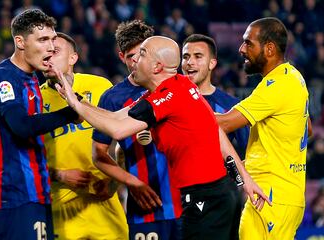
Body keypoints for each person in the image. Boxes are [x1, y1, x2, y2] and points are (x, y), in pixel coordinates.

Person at [55, 35, 271, 240]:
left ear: (156, 67)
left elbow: (117, 130)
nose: (134, 61)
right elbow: (116, 117)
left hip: (206, 198)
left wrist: (74, 105)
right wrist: (77, 100)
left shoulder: (167, 98)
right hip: (218, 194)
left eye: (142, 54)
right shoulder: (179, 85)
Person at [0, 9, 79, 240]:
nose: (50, 47)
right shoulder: (4, 76)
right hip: (15, 194)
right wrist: (72, 112)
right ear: (20, 42)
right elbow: (22, 126)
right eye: (43, 40)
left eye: (53, 40)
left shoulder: (33, 79)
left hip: (37, 193)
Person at [215, 17, 309, 239]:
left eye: (248, 43)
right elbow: (307, 127)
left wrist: (181, 102)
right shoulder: (294, 78)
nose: (241, 49)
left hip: (270, 197)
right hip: (286, 196)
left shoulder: (275, 86)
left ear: (269, 49)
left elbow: (223, 124)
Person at [92, 20, 182, 240]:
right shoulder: (113, 98)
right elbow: (98, 154)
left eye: (144, 53)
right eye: (133, 55)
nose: (140, 61)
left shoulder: (178, 85)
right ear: (122, 57)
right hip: (145, 207)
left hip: (185, 203)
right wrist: (132, 182)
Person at [40, 32, 128, 240]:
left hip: (104, 200)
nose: (48, 57)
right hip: (61, 207)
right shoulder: (34, 98)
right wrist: (60, 174)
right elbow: (25, 159)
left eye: (55, 52)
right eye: (46, 53)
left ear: (73, 58)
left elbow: (123, 141)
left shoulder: (99, 86)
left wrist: (115, 183)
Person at [181, 33, 250, 240]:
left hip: (219, 205)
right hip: (175, 202)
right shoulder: (168, 100)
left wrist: (232, 185)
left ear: (212, 63)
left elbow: (248, 154)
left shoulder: (230, 106)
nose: (190, 62)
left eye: (197, 56)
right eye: (185, 57)